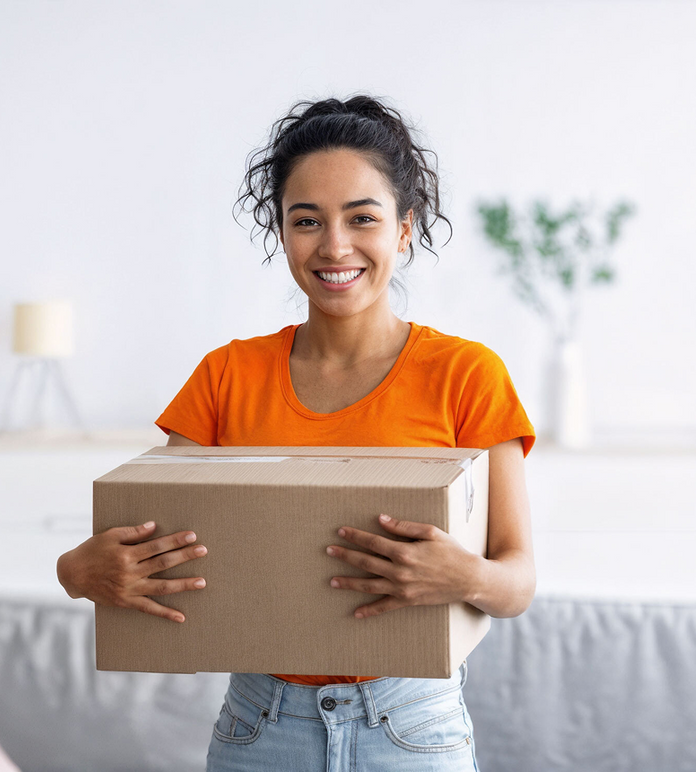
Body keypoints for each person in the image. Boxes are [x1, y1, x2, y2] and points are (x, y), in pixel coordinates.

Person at [57, 94, 536, 771]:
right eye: (306, 220)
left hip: (411, 727)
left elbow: (517, 582)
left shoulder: (468, 375)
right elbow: (147, 539)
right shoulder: (226, 376)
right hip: (261, 727)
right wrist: (77, 571)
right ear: (281, 232)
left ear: (404, 229)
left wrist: (465, 576)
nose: (334, 246)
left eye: (362, 218)